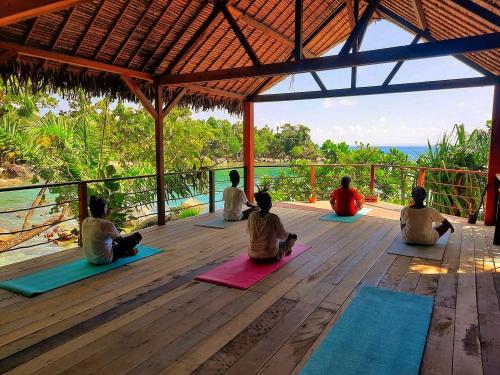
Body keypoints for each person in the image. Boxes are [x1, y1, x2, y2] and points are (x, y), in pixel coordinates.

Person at [82, 195, 142, 264]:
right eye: (106, 207)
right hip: (104, 259)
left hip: (89, 257)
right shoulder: (107, 224)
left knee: (112, 242)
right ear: (104, 209)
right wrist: (129, 248)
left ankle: (127, 252)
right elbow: (122, 243)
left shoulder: (85, 221)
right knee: (137, 236)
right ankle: (128, 253)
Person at [247, 185, 297, 262]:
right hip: (270, 256)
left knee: (279, 242)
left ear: (259, 204)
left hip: (252, 255)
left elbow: (249, 231)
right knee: (292, 238)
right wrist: (292, 235)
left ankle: (284, 249)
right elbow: (283, 235)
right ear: (270, 204)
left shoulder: (252, 215)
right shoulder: (274, 218)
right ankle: (285, 250)